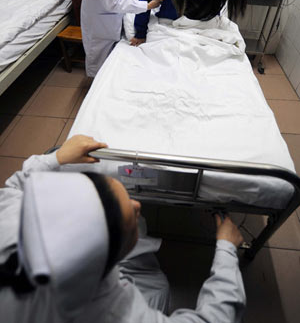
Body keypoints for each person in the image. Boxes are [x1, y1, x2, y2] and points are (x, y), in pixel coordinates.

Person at [0, 134, 246, 323]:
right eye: (130, 223)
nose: (138, 203)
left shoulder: (11, 216)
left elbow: (17, 187)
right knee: (158, 287)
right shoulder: (112, 312)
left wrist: (58, 157)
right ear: (101, 264)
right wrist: (226, 250)